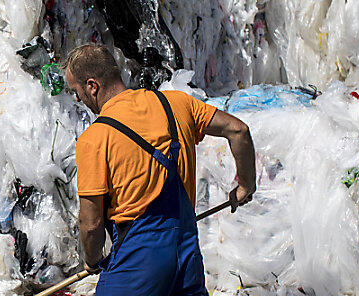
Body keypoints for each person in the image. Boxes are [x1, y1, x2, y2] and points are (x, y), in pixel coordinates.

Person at [63, 44, 256, 295]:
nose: (78, 100)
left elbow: (91, 223)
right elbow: (238, 130)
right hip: (186, 252)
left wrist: (92, 259)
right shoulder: (176, 103)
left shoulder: (95, 138)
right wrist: (246, 185)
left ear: (92, 86)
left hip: (140, 261)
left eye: (76, 92)